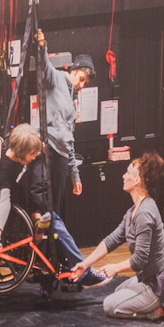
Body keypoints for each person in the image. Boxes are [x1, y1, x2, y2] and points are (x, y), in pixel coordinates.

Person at [79, 152, 164, 320]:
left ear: (136, 181)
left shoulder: (145, 212)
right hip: (149, 279)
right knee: (119, 291)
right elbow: (112, 240)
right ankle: (161, 303)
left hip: (160, 282)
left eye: (127, 173)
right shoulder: (132, 211)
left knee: (110, 306)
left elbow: (140, 259)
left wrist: (114, 268)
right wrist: (85, 264)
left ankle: (159, 310)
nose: (123, 175)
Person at [0, 123, 65, 293]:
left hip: (27, 198)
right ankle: (37, 233)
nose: (34, 156)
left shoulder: (24, 151)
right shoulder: (4, 168)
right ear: (21, 153)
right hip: (15, 209)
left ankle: (39, 225)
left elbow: (37, 146)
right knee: (42, 217)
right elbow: (4, 201)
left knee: (42, 210)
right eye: (31, 154)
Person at [37, 50, 95, 271]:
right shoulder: (57, 80)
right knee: (45, 211)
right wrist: (42, 45)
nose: (82, 85)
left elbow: (70, 140)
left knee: (56, 212)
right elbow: (44, 66)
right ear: (74, 70)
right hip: (47, 151)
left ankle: (55, 261)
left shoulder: (72, 101)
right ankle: (45, 260)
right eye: (81, 79)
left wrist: (75, 174)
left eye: (85, 83)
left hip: (61, 157)